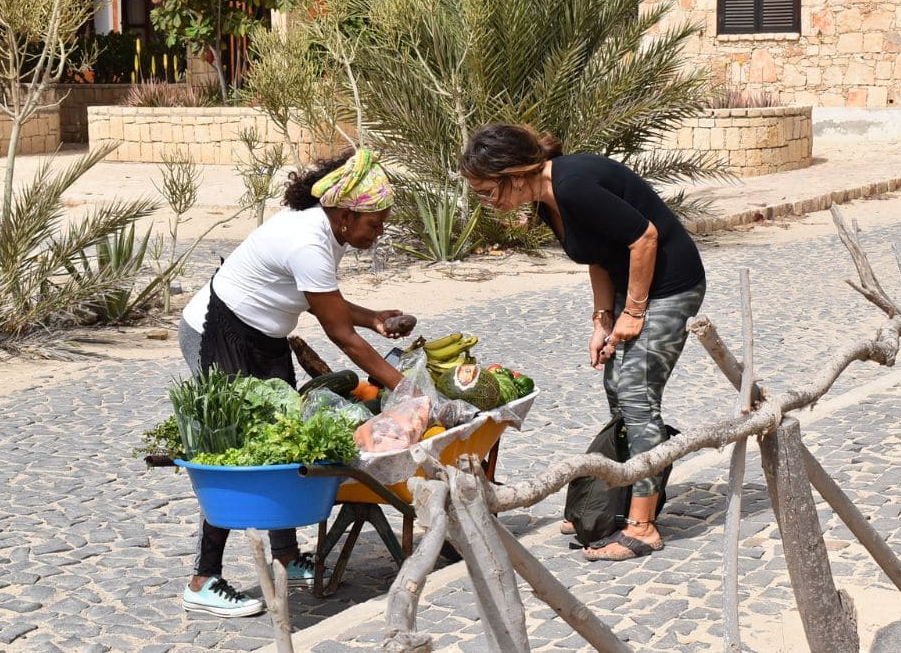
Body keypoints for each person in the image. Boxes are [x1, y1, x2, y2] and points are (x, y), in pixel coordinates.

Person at [178, 149, 410, 616]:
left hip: (264, 335)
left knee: (286, 437)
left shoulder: (327, 229)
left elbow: (320, 301)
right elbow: (338, 333)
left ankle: (285, 554)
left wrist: (374, 319)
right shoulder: (308, 239)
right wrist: (405, 391)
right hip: (217, 330)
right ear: (347, 215)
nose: (380, 230)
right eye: (377, 222)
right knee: (236, 449)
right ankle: (204, 578)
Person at [459, 124, 706, 562]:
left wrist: (634, 312)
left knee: (637, 392)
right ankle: (615, 505)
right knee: (619, 390)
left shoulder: (572, 186)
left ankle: (643, 526)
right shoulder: (547, 198)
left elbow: (644, 237)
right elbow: (597, 253)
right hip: (629, 287)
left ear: (514, 175)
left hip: (669, 285)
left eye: (486, 191)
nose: (486, 202)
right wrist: (602, 319)